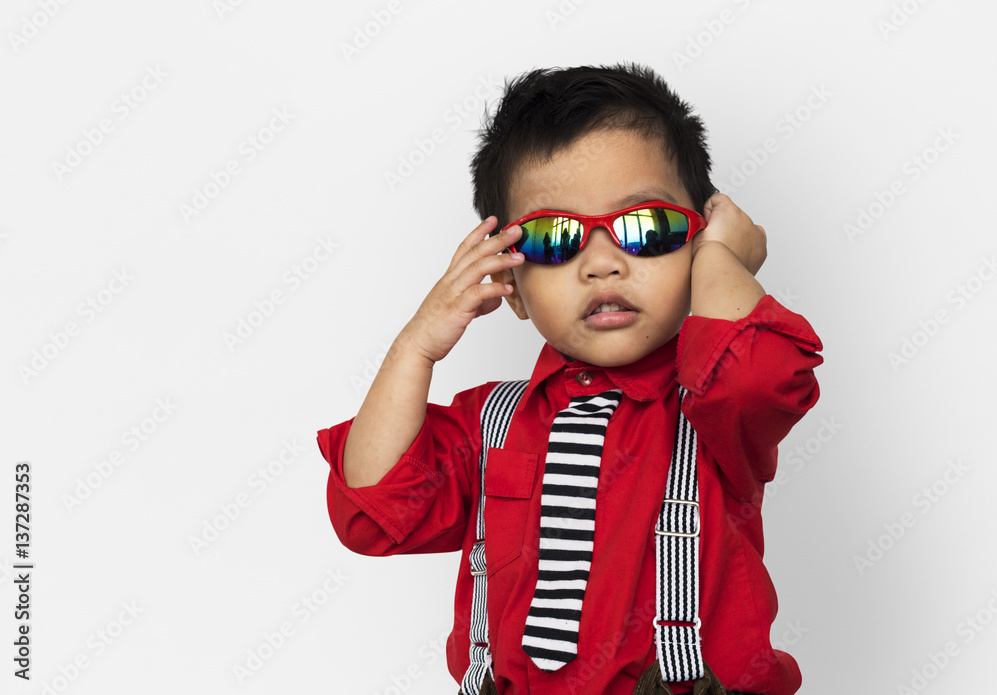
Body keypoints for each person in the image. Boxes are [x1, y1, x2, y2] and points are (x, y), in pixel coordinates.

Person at [317, 63, 823, 695]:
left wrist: (722, 258)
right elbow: (374, 507)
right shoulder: (490, 425)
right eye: (557, 239)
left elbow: (758, 376)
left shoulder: (713, 405)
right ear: (513, 288)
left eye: (647, 227)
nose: (604, 264)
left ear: (695, 247)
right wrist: (417, 344)